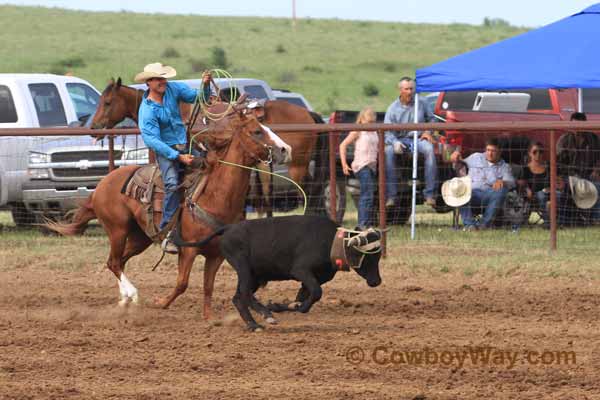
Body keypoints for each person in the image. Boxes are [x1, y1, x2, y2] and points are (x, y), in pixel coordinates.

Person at [135, 62, 212, 253]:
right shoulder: (147, 110)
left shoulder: (173, 89)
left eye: (163, 78)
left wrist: (206, 85)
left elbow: (199, 98)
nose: (162, 82)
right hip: (166, 150)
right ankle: (168, 231)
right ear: (149, 83)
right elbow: (152, 140)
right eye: (158, 79)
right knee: (171, 183)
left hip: (184, 143)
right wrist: (177, 156)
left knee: (209, 166)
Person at [384, 77, 438, 208]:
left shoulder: (422, 102)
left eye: (411, 89)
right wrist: (395, 142)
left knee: (429, 150)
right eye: (406, 89)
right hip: (400, 140)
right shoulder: (392, 108)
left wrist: (428, 132)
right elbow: (387, 131)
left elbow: (432, 119)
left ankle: (429, 195)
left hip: (418, 139)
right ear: (400, 90)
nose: (409, 92)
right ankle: (391, 196)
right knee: (388, 152)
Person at [451, 138, 515, 230]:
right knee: (460, 189)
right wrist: (456, 158)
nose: (489, 153)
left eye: (493, 151)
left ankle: (484, 225)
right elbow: (460, 163)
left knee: (502, 190)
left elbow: (511, 182)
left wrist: (503, 182)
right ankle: (470, 225)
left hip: (488, 196)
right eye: (488, 150)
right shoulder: (476, 157)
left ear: (499, 152)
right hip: (470, 194)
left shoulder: (504, 167)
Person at [340, 107, 378, 230]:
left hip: (372, 166)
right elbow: (343, 145)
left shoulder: (375, 131)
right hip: (362, 165)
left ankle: (366, 222)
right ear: (361, 120)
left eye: (373, 122)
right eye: (368, 122)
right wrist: (344, 163)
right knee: (367, 194)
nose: (370, 125)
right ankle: (362, 224)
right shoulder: (358, 130)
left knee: (369, 194)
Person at [557, 112, 600, 223]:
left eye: (580, 125)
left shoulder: (594, 139)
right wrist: (572, 175)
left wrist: (596, 170)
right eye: (574, 125)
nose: (577, 129)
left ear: (585, 125)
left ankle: (595, 220)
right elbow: (559, 163)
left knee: (598, 187)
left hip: (590, 175)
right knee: (566, 189)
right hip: (570, 176)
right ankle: (563, 220)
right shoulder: (564, 140)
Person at [517, 142, 565, 227]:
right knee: (541, 196)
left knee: (558, 195)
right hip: (535, 194)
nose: (538, 154)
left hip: (551, 191)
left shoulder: (549, 166)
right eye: (535, 152)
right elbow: (521, 184)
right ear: (529, 153)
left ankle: (559, 221)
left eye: (541, 152)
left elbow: (559, 181)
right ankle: (549, 222)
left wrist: (558, 185)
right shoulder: (525, 168)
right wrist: (527, 190)